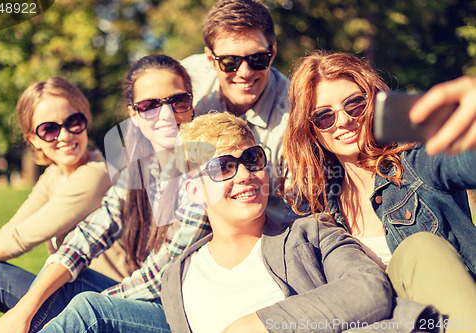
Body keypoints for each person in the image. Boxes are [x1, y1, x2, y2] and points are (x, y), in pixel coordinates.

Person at [38, 112, 438, 333]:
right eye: (223, 167)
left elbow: (370, 291)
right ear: (193, 191)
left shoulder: (309, 232)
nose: (245, 175)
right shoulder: (179, 274)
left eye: (252, 160)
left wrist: (257, 325)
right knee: (84, 308)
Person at [0, 54, 210, 333]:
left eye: (177, 101)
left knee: (86, 307)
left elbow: (159, 277)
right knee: (9, 280)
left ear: (191, 103)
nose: (166, 114)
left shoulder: (203, 168)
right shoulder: (141, 169)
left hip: (180, 311)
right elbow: (84, 238)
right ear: (134, 115)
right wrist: (25, 308)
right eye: (149, 105)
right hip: (133, 295)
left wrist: (64, 309)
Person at [282, 50, 476, 332]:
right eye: (324, 116)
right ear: (310, 129)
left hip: (451, 319)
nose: (344, 120)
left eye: (355, 104)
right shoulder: (312, 204)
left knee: (421, 248)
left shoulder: (418, 163)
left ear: (373, 102)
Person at [0, 77, 111, 317]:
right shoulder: (54, 175)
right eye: (49, 129)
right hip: (76, 293)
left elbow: (21, 239)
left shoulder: (96, 175)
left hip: (107, 301)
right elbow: (11, 230)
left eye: (73, 122)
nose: (65, 135)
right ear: (33, 139)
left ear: (85, 120)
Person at [181, 0, 291, 219]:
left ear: (273, 51)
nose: (244, 72)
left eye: (257, 59)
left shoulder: (294, 115)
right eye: (230, 61)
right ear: (210, 59)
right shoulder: (184, 81)